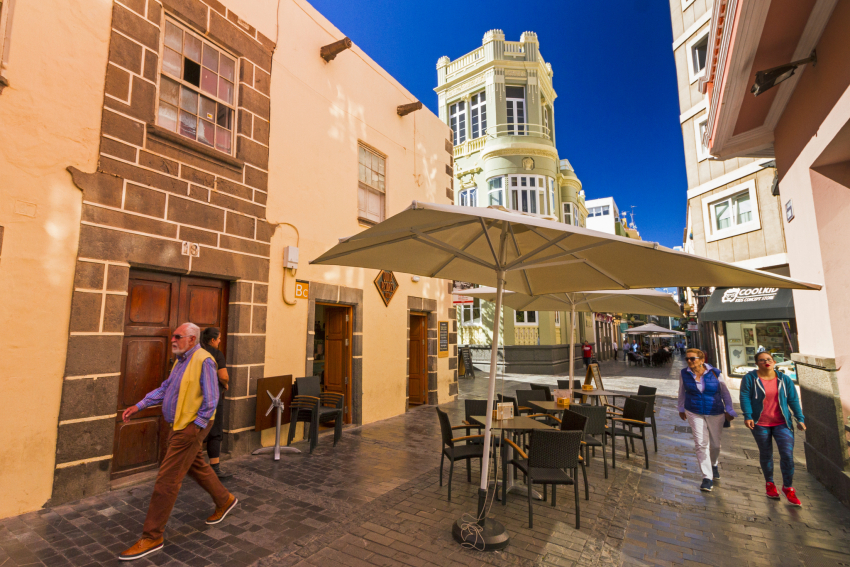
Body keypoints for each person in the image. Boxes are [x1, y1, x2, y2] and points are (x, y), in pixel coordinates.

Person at [118, 323, 237, 561]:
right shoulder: (181, 361)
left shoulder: (204, 360)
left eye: (177, 336)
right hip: (180, 425)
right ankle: (225, 500)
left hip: (189, 427)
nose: (172, 339)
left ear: (192, 339)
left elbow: (212, 399)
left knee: (167, 480)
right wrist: (139, 405)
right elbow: (166, 389)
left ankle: (152, 536)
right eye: (173, 336)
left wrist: (195, 428)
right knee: (196, 465)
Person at [740, 351, 806, 506]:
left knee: (787, 455)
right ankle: (770, 484)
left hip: (783, 423)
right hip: (760, 423)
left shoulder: (784, 379)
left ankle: (788, 488)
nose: (766, 362)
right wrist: (748, 416)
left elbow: (793, 400)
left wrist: (800, 418)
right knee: (766, 454)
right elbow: (745, 397)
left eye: (769, 359)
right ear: (757, 363)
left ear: (774, 362)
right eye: (762, 360)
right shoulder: (750, 378)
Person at [678, 348, 736, 492]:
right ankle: (707, 477)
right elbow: (681, 391)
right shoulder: (684, 373)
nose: (689, 361)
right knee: (701, 444)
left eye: (692, 358)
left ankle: (713, 464)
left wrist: (729, 409)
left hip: (715, 411)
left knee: (715, 445)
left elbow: (725, 393)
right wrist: (681, 408)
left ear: (702, 360)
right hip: (693, 410)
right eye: (687, 359)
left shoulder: (715, 373)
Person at [201, 327, 231, 480]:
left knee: (196, 431)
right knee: (215, 431)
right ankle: (215, 467)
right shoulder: (216, 354)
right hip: (213, 397)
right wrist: (225, 384)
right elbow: (223, 376)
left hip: (196, 397)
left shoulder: (196, 352)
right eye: (218, 339)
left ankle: (191, 465)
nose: (219, 341)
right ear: (212, 340)